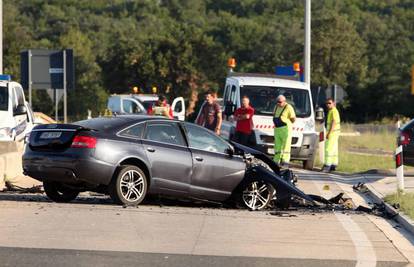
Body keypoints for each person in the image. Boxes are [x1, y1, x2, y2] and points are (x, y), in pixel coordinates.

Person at [273, 95, 296, 167]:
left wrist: (287, 122)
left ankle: (285, 161)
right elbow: (274, 115)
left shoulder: (288, 107)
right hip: (277, 129)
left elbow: (293, 118)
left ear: (284, 101)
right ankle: (276, 161)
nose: (278, 103)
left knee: (286, 146)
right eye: (277, 102)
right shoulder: (276, 106)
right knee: (277, 146)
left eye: (280, 102)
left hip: (286, 129)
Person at [322, 98, 341, 172]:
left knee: (328, 149)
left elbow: (334, 122)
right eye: (327, 103)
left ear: (333, 103)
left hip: (332, 133)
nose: (328, 105)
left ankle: (327, 165)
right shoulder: (332, 111)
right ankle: (333, 165)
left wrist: (329, 133)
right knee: (334, 149)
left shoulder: (333, 111)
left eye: (329, 103)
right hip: (335, 133)